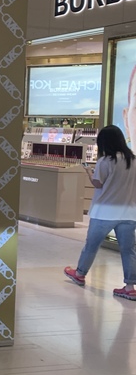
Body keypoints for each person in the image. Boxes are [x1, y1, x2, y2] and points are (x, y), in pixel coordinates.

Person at [64, 125, 136, 300]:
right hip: (129, 212)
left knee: (92, 245)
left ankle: (80, 274)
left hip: (104, 212)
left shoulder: (106, 161)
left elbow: (98, 183)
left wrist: (89, 171)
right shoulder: (133, 160)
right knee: (128, 250)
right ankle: (130, 287)